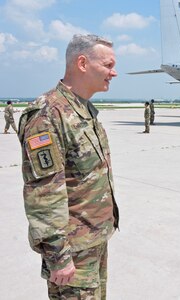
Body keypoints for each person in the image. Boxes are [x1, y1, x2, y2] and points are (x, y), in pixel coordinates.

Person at [18, 34, 120, 299]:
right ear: (83, 63)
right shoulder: (48, 114)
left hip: (93, 241)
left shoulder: (82, 109)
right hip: (72, 252)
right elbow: (44, 193)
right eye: (108, 65)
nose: (114, 72)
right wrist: (58, 255)